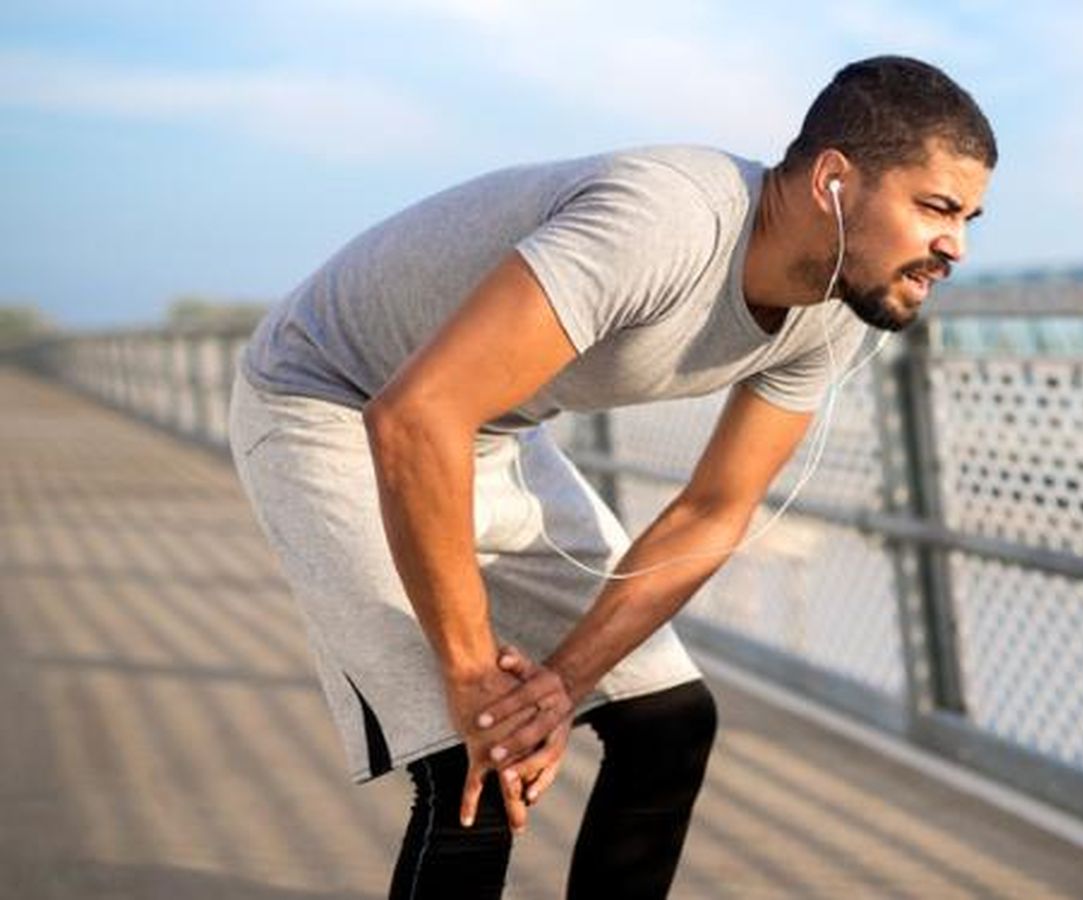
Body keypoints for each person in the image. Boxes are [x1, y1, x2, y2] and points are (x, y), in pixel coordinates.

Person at [227, 54, 995, 898]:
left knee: (668, 721)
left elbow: (712, 509)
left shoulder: (831, 312)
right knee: (473, 761)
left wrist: (564, 682)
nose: (954, 245)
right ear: (835, 182)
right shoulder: (664, 222)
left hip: (485, 427)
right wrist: (476, 672)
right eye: (937, 208)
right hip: (328, 400)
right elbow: (414, 419)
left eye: (968, 218)